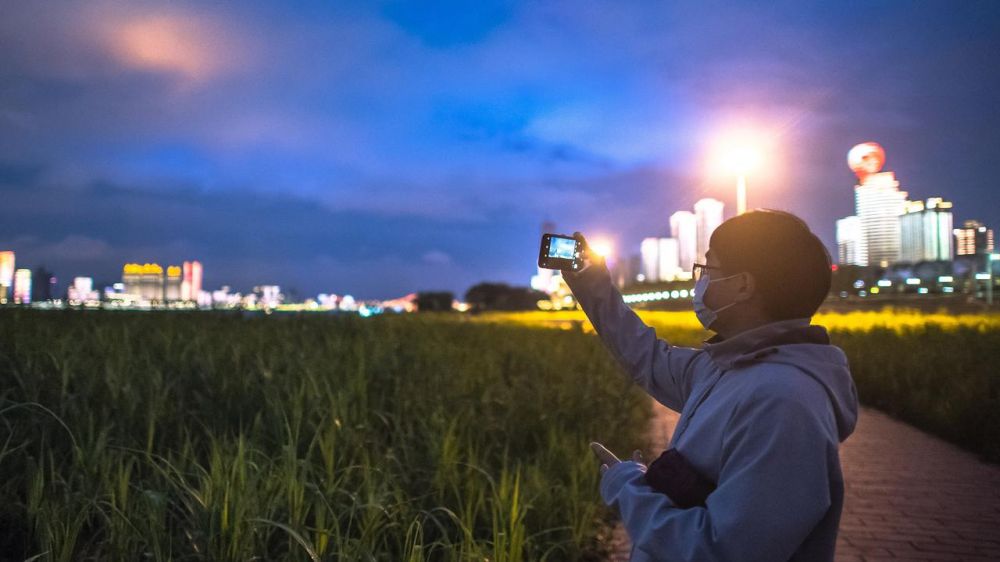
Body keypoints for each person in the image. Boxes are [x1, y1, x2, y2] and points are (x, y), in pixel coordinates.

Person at [564, 210, 858, 562]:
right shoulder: (726, 366)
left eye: (708, 269)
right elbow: (647, 357)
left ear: (743, 285)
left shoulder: (783, 402)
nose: (699, 282)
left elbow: (722, 551)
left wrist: (629, 489)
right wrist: (591, 284)